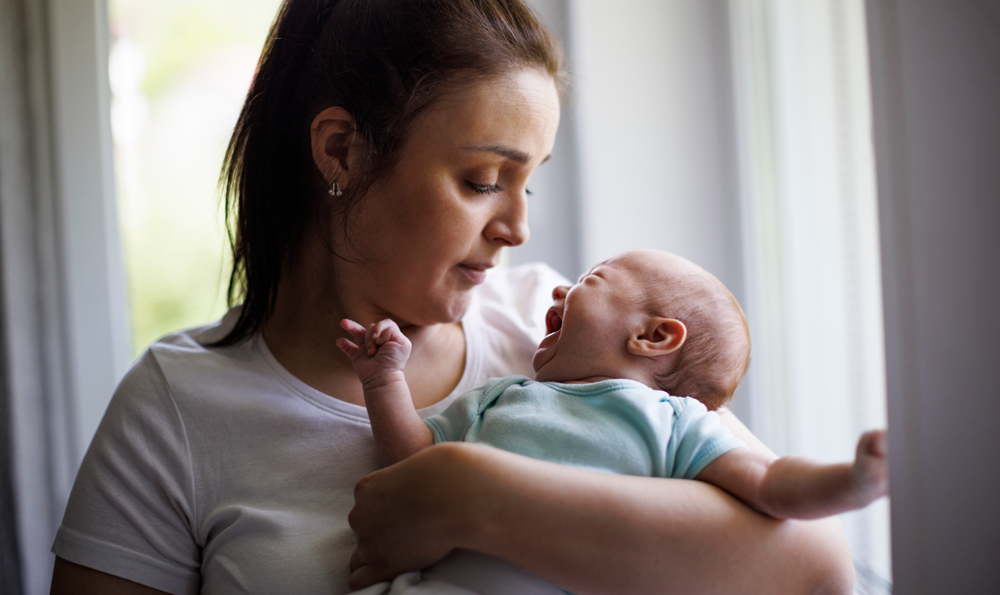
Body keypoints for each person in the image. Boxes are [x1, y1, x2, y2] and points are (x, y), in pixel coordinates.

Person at [49, 1, 855, 594]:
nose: (517, 228)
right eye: (482, 181)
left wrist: (477, 498)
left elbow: (817, 563)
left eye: (529, 184)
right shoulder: (174, 407)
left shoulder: (568, 339)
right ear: (341, 150)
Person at [338, 249, 888, 593]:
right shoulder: (501, 396)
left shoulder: (674, 422)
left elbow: (770, 485)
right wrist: (383, 381)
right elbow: (411, 469)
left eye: (590, 277)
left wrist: (852, 481)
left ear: (652, 337)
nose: (558, 290)